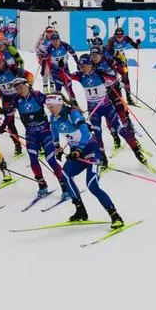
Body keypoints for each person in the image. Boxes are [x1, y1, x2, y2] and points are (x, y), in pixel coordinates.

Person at [45, 94, 125, 228]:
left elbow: (86, 133)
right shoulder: (53, 117)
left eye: (51, 107)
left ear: (60, 104)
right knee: (65, 175)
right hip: (77, 152)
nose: (50, 109)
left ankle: (115, 216)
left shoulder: (73, 114)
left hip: (91, 151)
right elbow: (54, 130)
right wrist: (57, 146)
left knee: (92, 185)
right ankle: (80, 210)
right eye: (48, 107)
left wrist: (79, 150)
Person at [68, 57, 147, 167]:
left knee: (121, 130)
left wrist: (108, 75)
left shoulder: (99, 74)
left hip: (107, 107)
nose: (82, 68)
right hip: (93, 111)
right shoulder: (80, 75)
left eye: (84, 65)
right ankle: (103, 160)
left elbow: (114, 78)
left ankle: (137, 152)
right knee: (98, 135)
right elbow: (65, 76)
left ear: (90, 65)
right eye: (80, 66)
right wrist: (62, 68)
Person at [13, 78, 70, 199]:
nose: (19, 90)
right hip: (31, 134)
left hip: (45, 132)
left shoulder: (37, 95)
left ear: (26, 85)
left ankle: (64, 185)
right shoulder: (16, 99)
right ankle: (42, 185)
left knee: (51, 159)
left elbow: (52, 103)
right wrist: (3, 124)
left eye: (21, 87)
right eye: (16, 89)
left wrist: (65, 111)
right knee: (33, 159)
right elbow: (8, 113)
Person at [105, 27, 141, 105]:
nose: (120, 39)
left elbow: (136, 47)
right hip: (112, 60)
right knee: (113, 79)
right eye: (118, 37)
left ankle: (128, 98)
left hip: (122, 59)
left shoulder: (126, 38)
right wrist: (114, 59)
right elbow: (107, 51)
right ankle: (114, 96)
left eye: (121, 36)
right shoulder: (111, 40)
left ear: (123, 35)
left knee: (126, 77)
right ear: (115, 36)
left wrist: (138, 43)